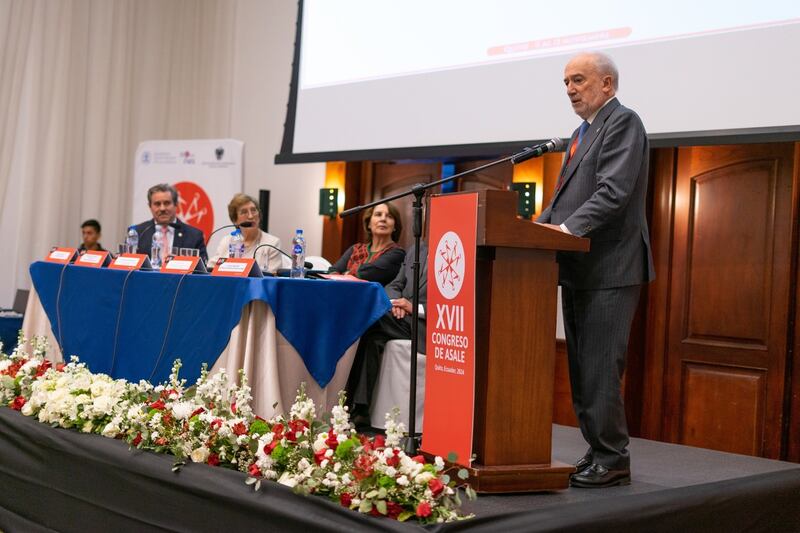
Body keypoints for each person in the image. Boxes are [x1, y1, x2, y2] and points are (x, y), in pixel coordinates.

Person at [536, 51, 655, 488]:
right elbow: (564, 197)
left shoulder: (623, 122)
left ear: (607, 85)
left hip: (611, 268)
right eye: (566, 81)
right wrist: (535, 229)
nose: (570, 88)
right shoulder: (580, 133)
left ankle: (613, 457)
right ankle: (598, 448)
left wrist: (563, 231)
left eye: (579, 80)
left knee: (601, 366)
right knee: (583, 368)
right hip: (580, 268)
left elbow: (613, 193)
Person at [347, 243, 428, 426]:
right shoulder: (417, 248)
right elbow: (395, 284)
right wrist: (395, 303)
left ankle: (346, 401)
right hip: (401, 317)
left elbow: (457, 303)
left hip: (426, 325)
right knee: (371, 338)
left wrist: (413, 308)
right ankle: (359, 408)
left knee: (368, 319)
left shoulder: (455, 249)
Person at [332, 202, 405, 285]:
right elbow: (332, 271)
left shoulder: (397, 253)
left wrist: (345, 273)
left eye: (389, 216)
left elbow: (367, 273)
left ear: (395, 226)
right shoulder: (355, 249)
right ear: (369, 224)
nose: (383, 219)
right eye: (378, 214)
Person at [208, 193, 283, 273]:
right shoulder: (226, 241)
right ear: (235, 220)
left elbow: (273, 277)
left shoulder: (272, 243)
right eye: (244, 212)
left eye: (254, 210)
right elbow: (210, 268)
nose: (251, 216)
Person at [134, 183, 208, 263]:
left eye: (167, 203)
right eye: (157, 204)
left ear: (176, 204)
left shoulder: (194, 236)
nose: (162, 208)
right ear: (150, 206)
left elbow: (202, 269)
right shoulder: (139, 233)